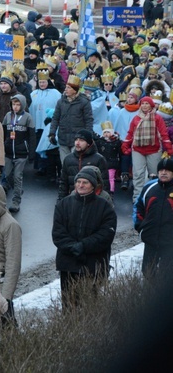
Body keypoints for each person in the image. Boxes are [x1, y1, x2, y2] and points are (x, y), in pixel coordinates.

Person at [52, 167, 117, 310]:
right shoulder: (63, 205)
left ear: (93, 185)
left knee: (90, 307)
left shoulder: (105, 207)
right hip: (68, 264)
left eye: (85, 182)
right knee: (69, 306)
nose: (80, 185)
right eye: (78, 182)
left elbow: (106, 235)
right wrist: (73, 247)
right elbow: (58, 233)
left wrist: (83, 246)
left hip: (93, 265)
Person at [122, 95, 173, 202]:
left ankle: (154, 198)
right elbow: (130, 133)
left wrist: (169, 148)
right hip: (137, 150)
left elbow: (164, 134)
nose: (144, 106)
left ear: (151, 106)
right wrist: (125, 145)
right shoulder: (136, 118)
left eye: (147, 104)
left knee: (154, 175)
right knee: (138, 175)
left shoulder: (157, 118)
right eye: (143, 103)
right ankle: (137, 198)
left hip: (154, 150)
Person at [134, 157, 173, 277]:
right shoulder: (149, 188)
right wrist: (140, 227)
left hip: (170, 243)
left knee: (167, 276)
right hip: (151, 239)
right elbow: (138, 207)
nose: (164, 172)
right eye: (161, 170)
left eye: (167, 170)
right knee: (148, 272)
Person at [57, 129, 110, 204]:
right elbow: (63, 184)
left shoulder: (99, 159)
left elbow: (104, 183)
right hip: (73, 201)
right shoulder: (68, 159)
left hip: (92, 202)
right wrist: (60, 202)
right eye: (76, 140)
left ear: (88, 143)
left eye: (81, 140)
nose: (77, 143)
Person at [49, 75, 94, 163]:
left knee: (76, 164)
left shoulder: (84, 102)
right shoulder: (61, 102)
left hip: (78, 139)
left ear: (74, 90)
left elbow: (89, 120)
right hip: (63, 138)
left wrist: (88, 137)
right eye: (66, 87)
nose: (65, 89)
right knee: (65, 164)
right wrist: (52, 133)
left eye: (68, 88)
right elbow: (55, 118)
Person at [3, 94, 35, 212]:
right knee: (7, 175)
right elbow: (3, 133)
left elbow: (32, 136)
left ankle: (16, 201)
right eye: (13, 104)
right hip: (8, 152)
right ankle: (18, 189)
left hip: (21, 153)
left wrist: (31, 153)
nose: (15, 107)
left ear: (23, 105)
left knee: (17, 177)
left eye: (18, 104)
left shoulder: (28, 117)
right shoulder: (7, 116)